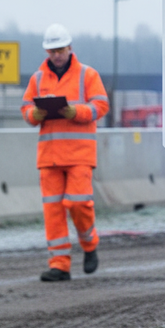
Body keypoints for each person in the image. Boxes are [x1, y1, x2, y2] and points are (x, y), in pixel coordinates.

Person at [21, 23, 109, 282]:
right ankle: (59, 264)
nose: (56, 55)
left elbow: (101, 106)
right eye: (52, 51)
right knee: (53, 212)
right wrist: (34, 115)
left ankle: (89, 245)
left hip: (79, 155)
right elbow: (26, 109)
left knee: (79, 203)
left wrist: (75, 112)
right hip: (49, 157)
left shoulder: (88, 75)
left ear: (70, 47)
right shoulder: (37, 79)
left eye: (60, 50)